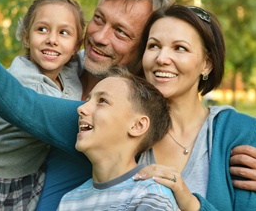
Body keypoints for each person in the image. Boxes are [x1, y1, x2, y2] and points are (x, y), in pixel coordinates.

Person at [0, 0, 256, 209]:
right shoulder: (102, 117)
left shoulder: (236, 134)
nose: (98, 37)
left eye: (122, 32)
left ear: (206, 63)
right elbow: (21, 101)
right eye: (98, 19)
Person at [0, 0, 85, 210]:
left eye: (64, 32)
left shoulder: (70, 69)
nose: (52, 39)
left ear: (76, 45)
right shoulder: (24, 79)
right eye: (42, 29)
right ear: (26, 37)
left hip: (28, 177)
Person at [133, 4, 256, 210]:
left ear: (207, 64)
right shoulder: (118, 122)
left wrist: (192, 205)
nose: (161, 58)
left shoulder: (242, 133)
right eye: (153, 45)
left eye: (179, 48)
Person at [57, 66, 178, 210]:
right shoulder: (69, 201)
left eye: (102, 101)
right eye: (87, 100)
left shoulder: (151, 195)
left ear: (137, 125)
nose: (81, 108)